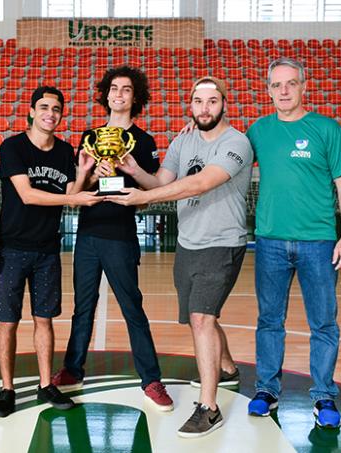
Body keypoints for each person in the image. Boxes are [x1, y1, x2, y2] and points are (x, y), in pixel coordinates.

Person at [108, 76, 253, 438]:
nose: (205, 108)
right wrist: (134, 172)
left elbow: (201, 182)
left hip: (222, 241)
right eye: (198, 101)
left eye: (212, 101)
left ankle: (209, 407)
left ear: (223, 104)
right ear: (190, 105)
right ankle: (229, 369)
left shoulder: (236, 142)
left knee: (202, 317)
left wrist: (142, 199)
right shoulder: (182, 139)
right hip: (188, 242)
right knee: (197, 317)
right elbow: (161, 181)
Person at [50, 66, 174, 412]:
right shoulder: (89, 138)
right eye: (114, 89)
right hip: (88, 234)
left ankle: (150, 379)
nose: (119, 95)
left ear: (136, 98)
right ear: (105, 94)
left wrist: (133, 171)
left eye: (127, 90)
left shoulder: (144, 141)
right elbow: (75, 193)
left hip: (121, 236)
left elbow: (157, 189)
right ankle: (73, 370)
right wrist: (90, 172)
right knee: (82, 309)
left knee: (133, 309)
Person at [246, 57, 341, 429]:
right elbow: (225, 159)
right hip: (270, 242)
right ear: (268, 90)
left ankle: (324, 396)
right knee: (269, 320)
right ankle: (266, 390)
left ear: (304, 86)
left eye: (291, 83)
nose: (283, 91)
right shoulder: (258, 131)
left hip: (319, 242)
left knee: (324, 322)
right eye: (276, 85)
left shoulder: (327, 129)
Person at [0, 86, 103, 418]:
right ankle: (7, 389)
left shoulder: (66, 151)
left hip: (47, 249)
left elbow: (71, 192)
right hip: (12, 248)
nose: (50, 113)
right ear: (32, 111)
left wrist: (83, 174)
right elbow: (27, 194)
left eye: (56, 108)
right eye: (44, 107)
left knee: (44, 320)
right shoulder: (13, 146)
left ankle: (44, 384)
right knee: (7, 322)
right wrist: (73, 198)